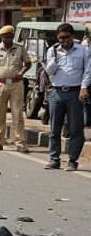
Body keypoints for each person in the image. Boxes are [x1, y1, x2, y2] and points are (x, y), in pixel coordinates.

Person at [44, 23, 91, 171]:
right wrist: (56, 58)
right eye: (61, 38)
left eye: (66, 37)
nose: (63, 40)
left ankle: (72, 161)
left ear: (73, 37)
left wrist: (84, 88)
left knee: (75, 129)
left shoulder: (83, 51)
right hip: (56, 92)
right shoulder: (53, 50)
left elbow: (88, 71)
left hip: (75, 93)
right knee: (54, 129)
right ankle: (54, 159)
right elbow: (49, 71)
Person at [0, 25, 31, 153]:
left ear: (12, 36)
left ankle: (20, 142)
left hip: (16, 85)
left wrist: (22, 72)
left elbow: (28, 63)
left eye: (9, 37)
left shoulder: (20, 48)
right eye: (4, 37)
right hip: (0, 84)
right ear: (0, 38)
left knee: (17, 114)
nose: (6, 40)